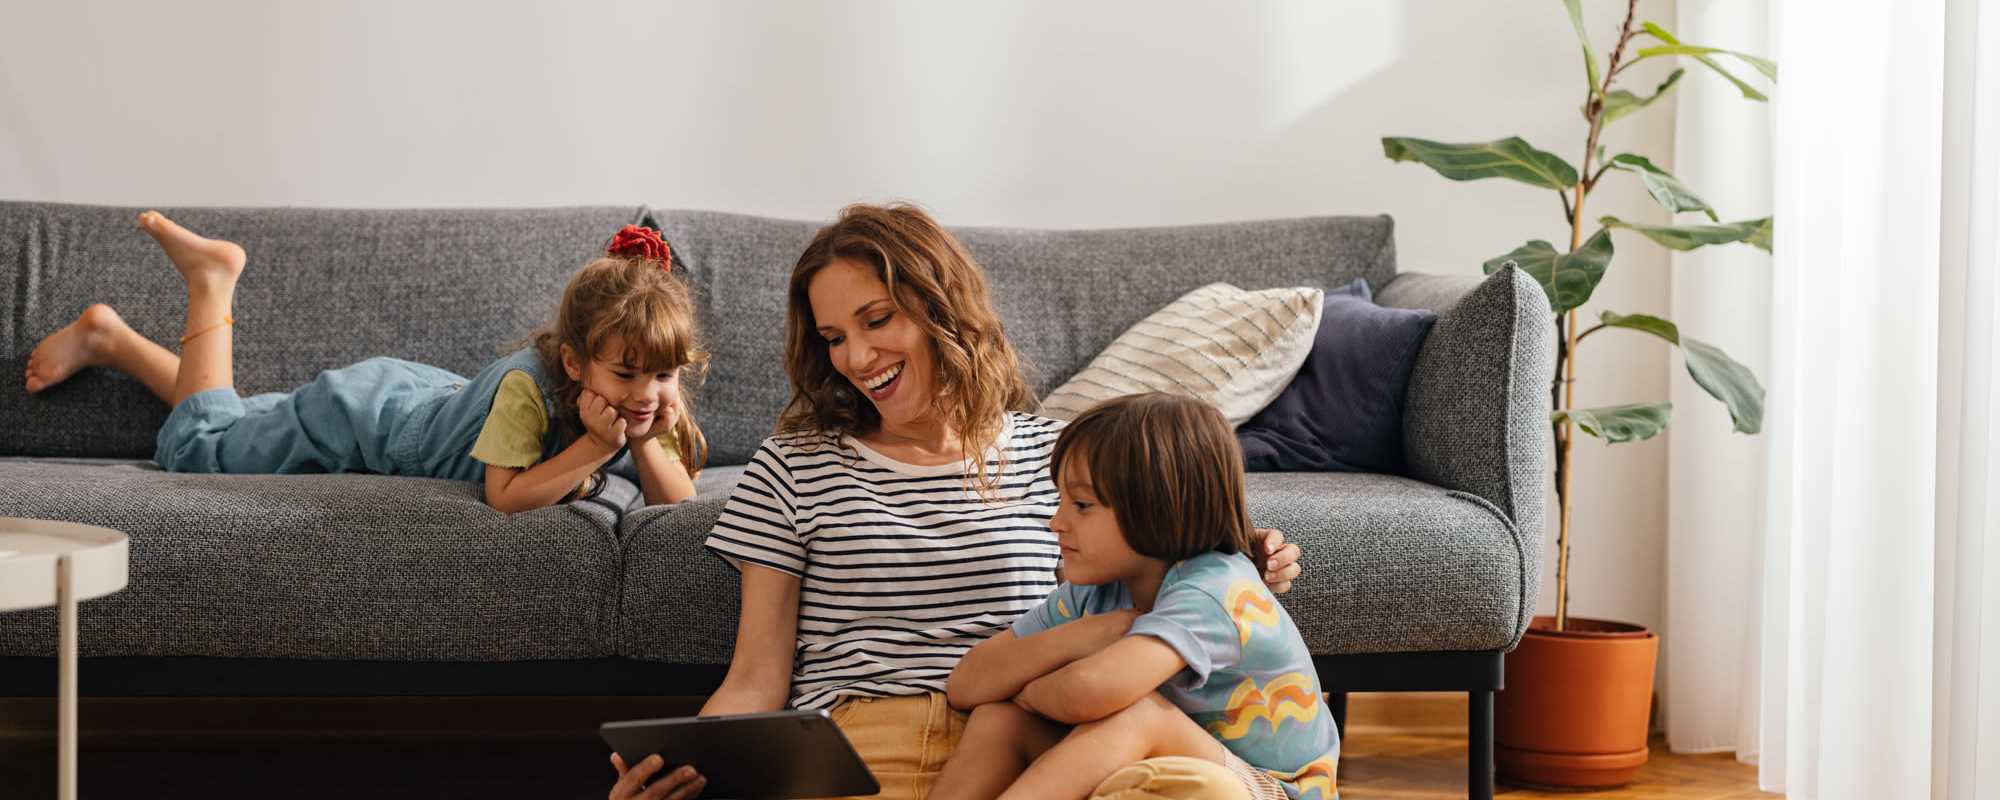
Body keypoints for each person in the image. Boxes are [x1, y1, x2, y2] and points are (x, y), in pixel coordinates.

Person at [608, 204, 1303, 800]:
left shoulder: (1063, 456)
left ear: (940, 306)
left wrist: (1237, 561)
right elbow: (758, 678)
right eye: (834, 338)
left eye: (877, 319)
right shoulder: (795, 463)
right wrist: (686, 766)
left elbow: (1151, 583)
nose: (855, 357)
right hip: (864, 750)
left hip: (1040, 746)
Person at [22, 214, 704, 511]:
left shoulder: (643, 397)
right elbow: (506, 498)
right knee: (202, 449)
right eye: (628, 376)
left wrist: (644, 441)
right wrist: (592, 447)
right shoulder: (529, 388)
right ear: (575, 363)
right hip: (364, 419)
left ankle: (109, 338)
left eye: (664, 375)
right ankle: (211, 282)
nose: (647, 393)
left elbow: (677, 504)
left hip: (419, 398)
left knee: (240, 420)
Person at [933, 393, 1338, 800]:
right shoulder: (1095, 593)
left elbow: (1089, 692)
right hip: (1170, 765)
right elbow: (967, 684)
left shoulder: (1215, 588)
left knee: (1135, 716)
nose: (1056, 522)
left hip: (1269, 789)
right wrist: (1091, 632)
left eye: (1081, 505)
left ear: (1159, 507)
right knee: (998, 718)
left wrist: (1030, 692)